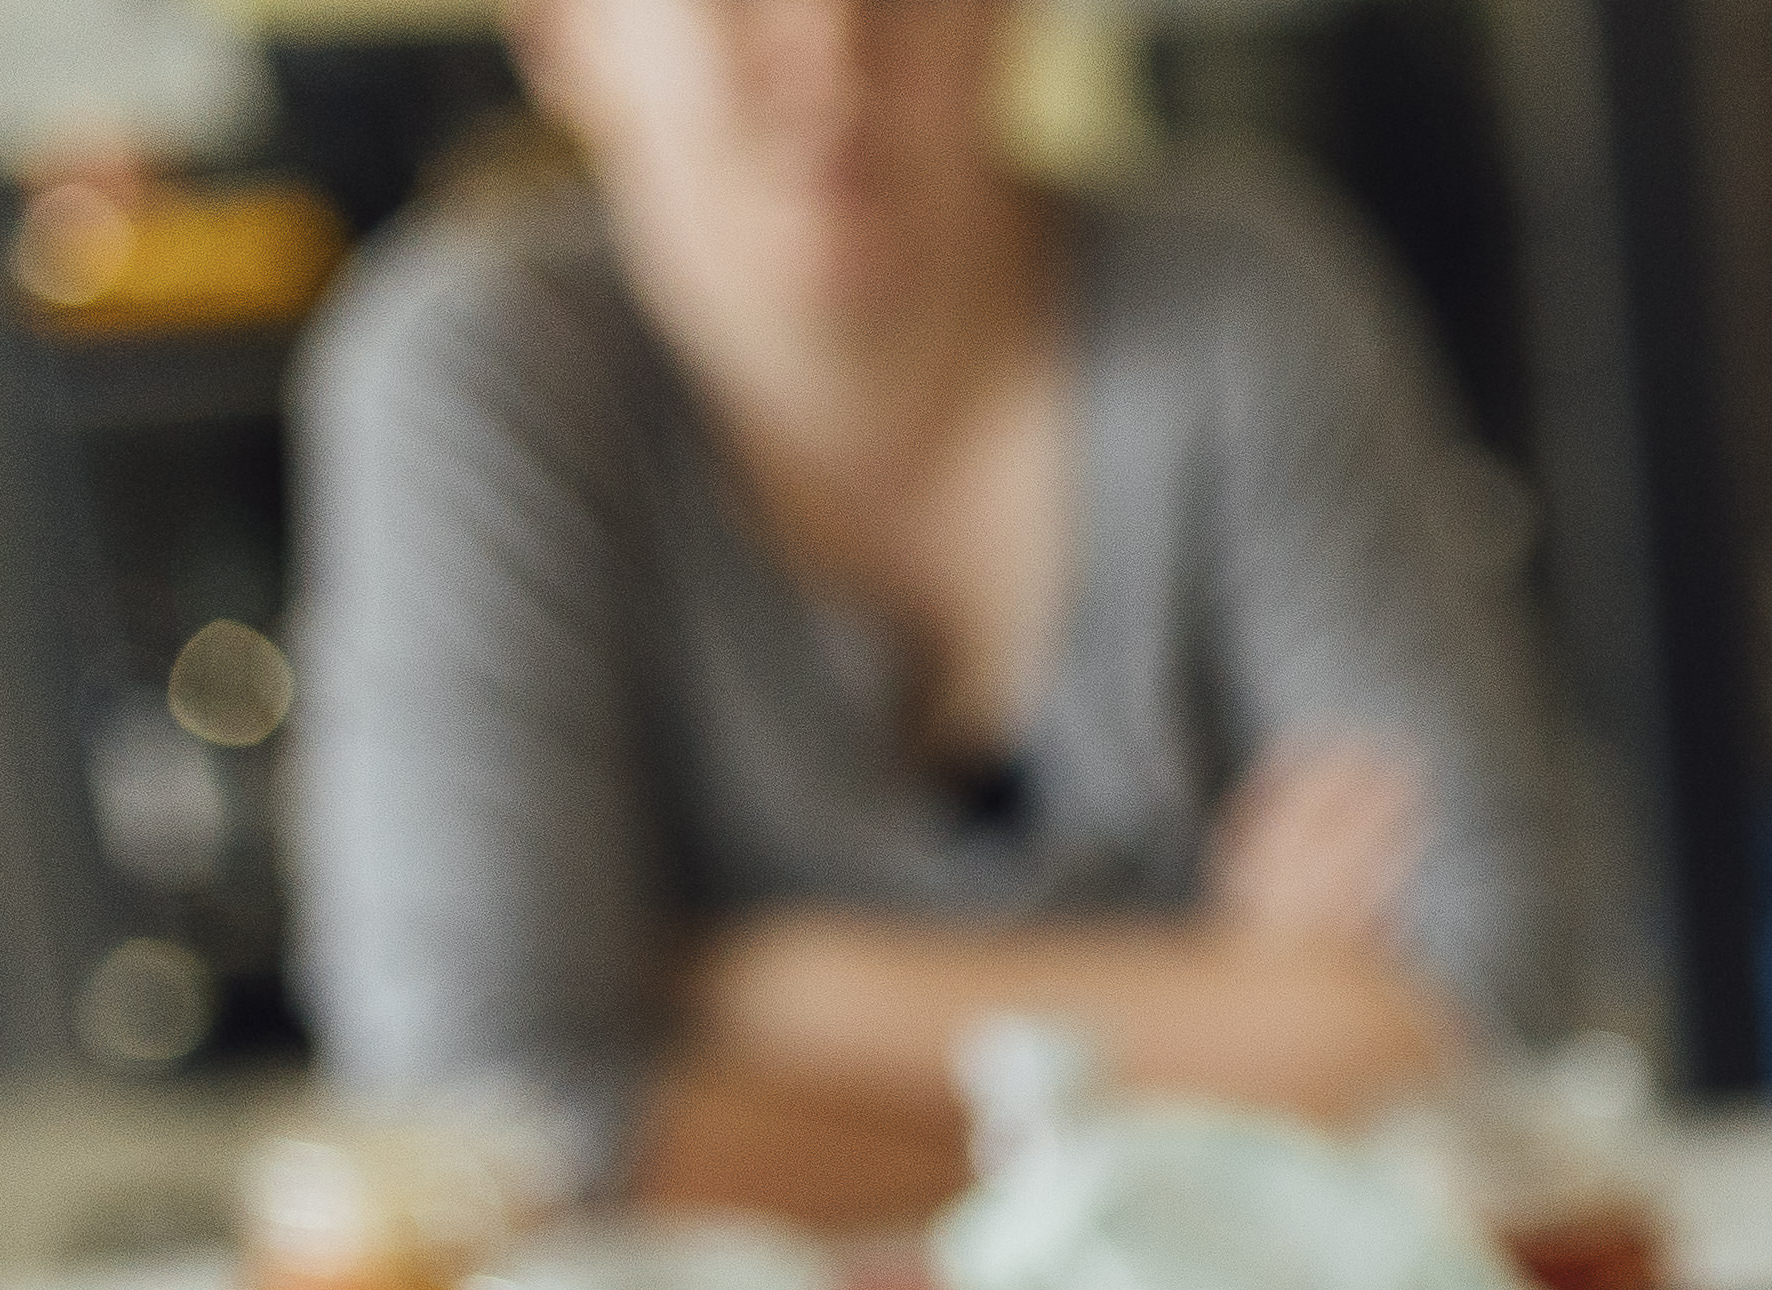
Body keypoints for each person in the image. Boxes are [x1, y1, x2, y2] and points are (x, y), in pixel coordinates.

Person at [291, 0, 1572, 1223]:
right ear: (564, 36)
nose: (833, 53)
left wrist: (755, 994)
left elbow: (1501, 988)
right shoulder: (469, 372)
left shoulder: (1237, 302)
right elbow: (487, 1111)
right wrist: (1257, 1031)